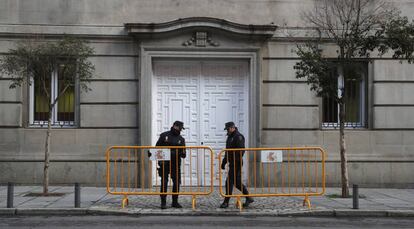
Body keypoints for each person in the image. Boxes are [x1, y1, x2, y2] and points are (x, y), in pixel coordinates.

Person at [220, 121, 254, 208]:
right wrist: (224, 162)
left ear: (232, 128)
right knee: (237, 182)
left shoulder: (238, 137)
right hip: (232, 163)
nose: (227, 131)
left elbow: (241, 151)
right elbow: (228, 151)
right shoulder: (230, 137)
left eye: (228, 129)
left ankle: (226, 202)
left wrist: (235, 160)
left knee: (229, 182)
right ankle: (248, 197)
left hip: (237, 163)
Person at [155, 120, 186, 209]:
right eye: (179, 128)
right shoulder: (164, 135)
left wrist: (180, 152)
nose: (180, 130)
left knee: (176, 182)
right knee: (164, 182)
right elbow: (157, 148)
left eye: (181, 129)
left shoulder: (181, 139)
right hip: (165, 163)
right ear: (175, 126)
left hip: (176, 163)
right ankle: (163, 202)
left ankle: (175, 202)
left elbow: (184, 155)